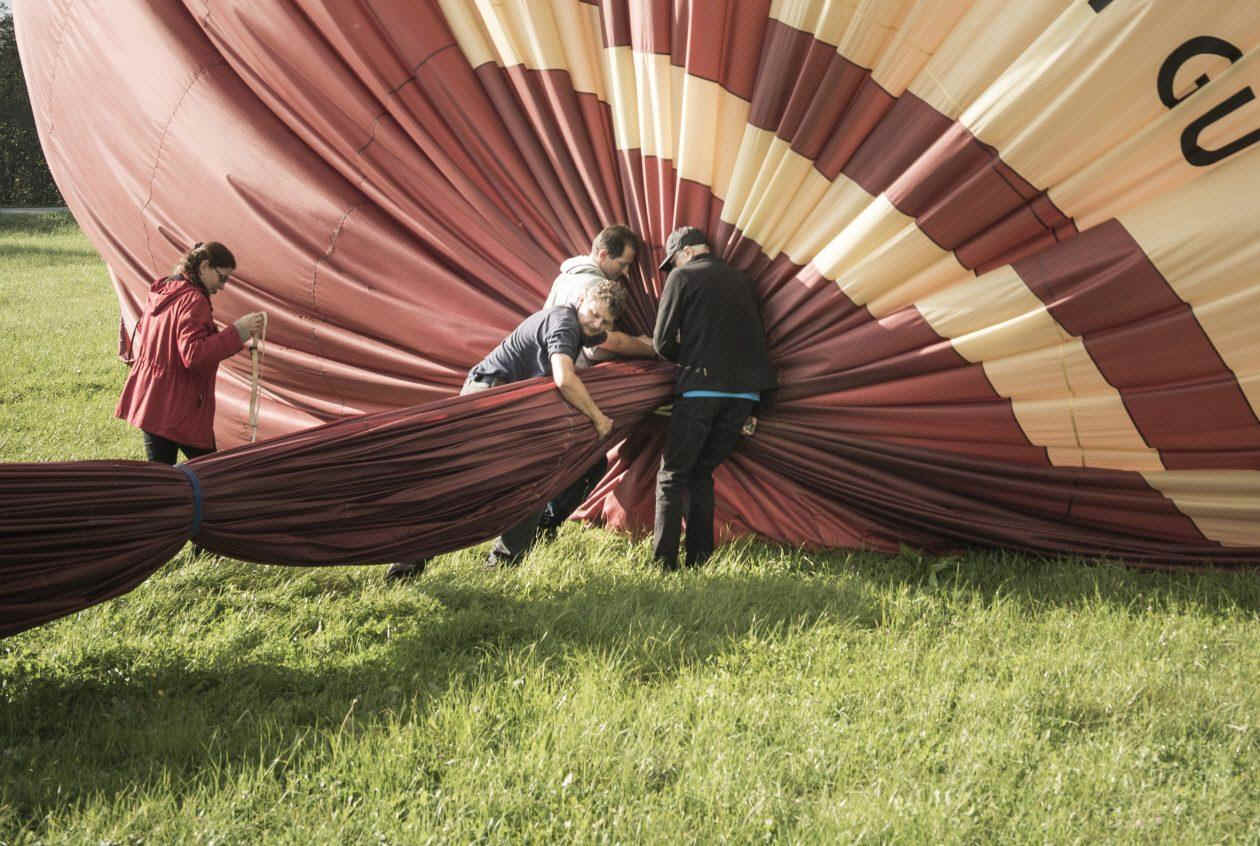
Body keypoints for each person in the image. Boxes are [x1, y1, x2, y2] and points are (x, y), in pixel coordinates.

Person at [385, 281, 621, 581]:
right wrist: (599, 419)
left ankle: (504, 564)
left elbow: (605, 344)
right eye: (594, 314)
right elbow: (564, 378)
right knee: (465, 486)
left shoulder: (583, 328)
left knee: (534, 482)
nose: (597, 323)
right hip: (489, 400)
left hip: (511, 406)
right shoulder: (565, 322)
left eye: (605, 321)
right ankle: (407, 564)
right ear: (580, 300)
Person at [651, 226, 777, 570]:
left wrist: (690, 357)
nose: (673, 266)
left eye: (674, 259)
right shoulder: (744, 281)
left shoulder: (682, 277)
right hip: (744, 396)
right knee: (702, 473)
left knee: (672, 474)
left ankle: (663, 563)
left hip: (700, 390)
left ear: (688, 252)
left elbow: (661, 342)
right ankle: (700, 559)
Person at [537, 225, 656, 538]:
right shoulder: (593, 285)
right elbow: (600, 345)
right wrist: (649, 348)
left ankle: (537, 527)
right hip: (573, 384)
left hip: (549, 382)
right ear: (603, 254)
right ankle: (542, 526)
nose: (626, 273)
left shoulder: (566, 277)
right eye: (623, 264)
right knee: (586, 465)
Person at [116, 241, 266, 464]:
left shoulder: (164, 289)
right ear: (204, 267)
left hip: (152, 401)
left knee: (161, 476)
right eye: (222, 278)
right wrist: (238, 332)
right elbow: (194, 355)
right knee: (210, 473)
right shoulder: (194, 300)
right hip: (178, 408)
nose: (222, 286)